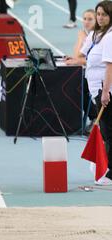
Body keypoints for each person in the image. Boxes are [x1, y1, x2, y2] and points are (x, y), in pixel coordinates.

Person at [79, 0, 112, 185]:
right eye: (98, 14)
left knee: (109, 131)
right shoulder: (98, 35)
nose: (100, 18)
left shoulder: (109, 37)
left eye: (104, 15)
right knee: (106, 130)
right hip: (96, 89)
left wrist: (106, 92)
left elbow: (110, 67)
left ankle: (110, 172)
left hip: (104, 90)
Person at [65, 9, 97, 132]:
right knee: (75, 85)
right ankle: (92, 117)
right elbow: (77, 55)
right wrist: (74, 59)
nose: (86, 22)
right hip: (89, 72)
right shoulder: (86, 34)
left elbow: (88, 59)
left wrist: (80, 38)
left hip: (99, 75)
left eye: (90, 19)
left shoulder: (95, 36)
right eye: (84, 19)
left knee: (76, 87)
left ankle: (94, 117)